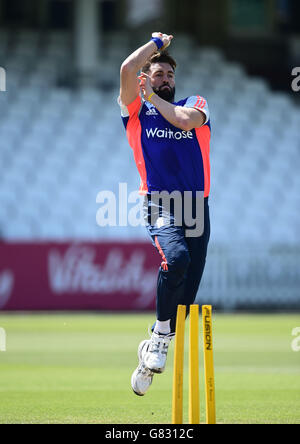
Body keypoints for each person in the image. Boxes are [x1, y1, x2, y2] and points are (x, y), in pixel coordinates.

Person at [119, 32, 211, 396]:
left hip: (198, 207)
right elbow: (127, 67)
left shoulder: (195, 102)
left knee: (185, 305)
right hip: (161, 202)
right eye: (158, 74)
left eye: (170, 75)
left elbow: (188, 121)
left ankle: (150, 352)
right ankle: (158, 336)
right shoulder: (137, 113)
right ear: (147, 78)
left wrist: (154, 96)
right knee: (176, 259)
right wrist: (156, 45)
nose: (166, 79)